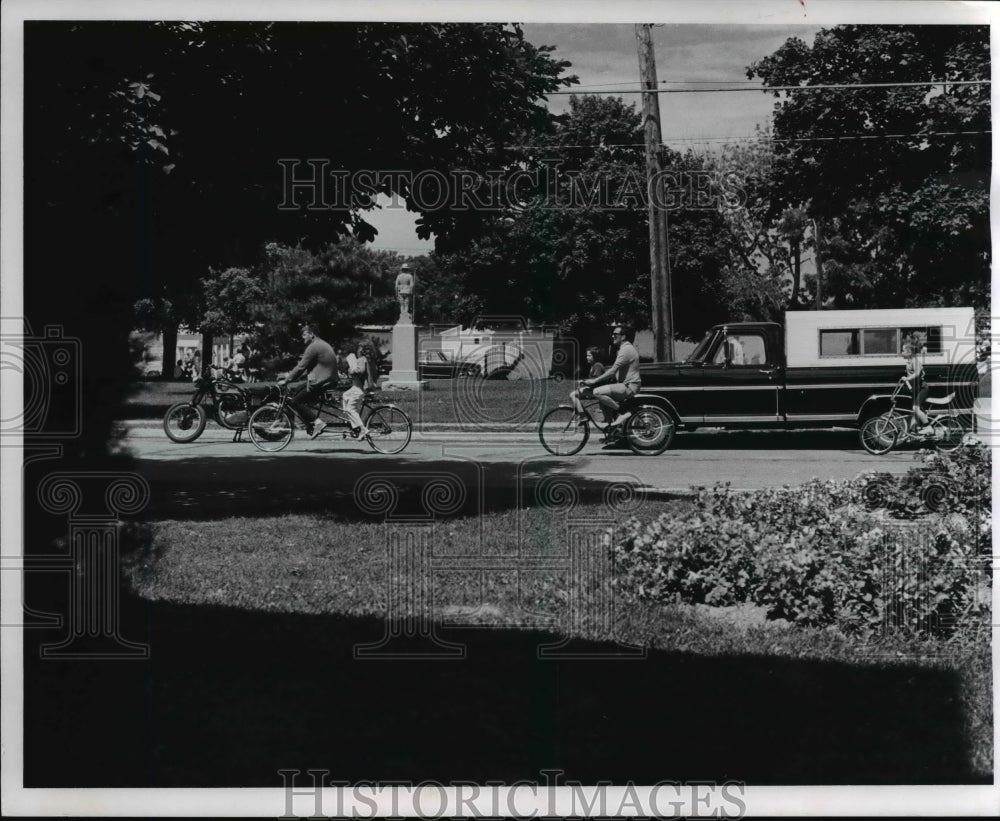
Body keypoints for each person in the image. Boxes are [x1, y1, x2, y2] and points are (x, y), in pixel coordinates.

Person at [279, 323, 339, 439]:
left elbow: (301, 367)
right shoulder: (321, 344)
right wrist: (290, 377)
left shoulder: (313, 347)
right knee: (295, 391)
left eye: (304, 334)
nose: (303, 337)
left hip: (322, 381)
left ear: (311, 334)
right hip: (325, 379)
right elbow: (308, 369)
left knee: (295, 401)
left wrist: (286, 380)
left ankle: (317, 422)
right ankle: (310, 424)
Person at [584, 324, 641, 443]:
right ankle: (613, 432)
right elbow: (615, 372)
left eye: (616, 334)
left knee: (597, 392)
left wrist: (595, 381)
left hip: (629, 387)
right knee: (604, 402)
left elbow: (613, 370)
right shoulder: (624, 348)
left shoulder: (626, 350)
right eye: (613, 334)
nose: (613, 336)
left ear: (623, 336)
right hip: (624, 385)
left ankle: (622, 412)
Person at [342, 343, 375, 438]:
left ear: (361, 351)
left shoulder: (361, 359)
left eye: (358, 349)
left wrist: (351, 370)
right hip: (355, 388)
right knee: (345, 395)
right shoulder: (364, 360)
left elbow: (360, 371)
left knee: (350, 409)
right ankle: (351, 422)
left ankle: (363, 429)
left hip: (358, 389)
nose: (357, 350)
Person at [901, 338, 932, 435]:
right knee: (914, 411)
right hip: (917, 388)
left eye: (903, 351)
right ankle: (912, 430)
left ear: (909, 352)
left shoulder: (915, 361)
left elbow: (917, 373)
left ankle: (928, 427)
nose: (901, 353)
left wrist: (907, 378)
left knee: (916, 408)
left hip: (923, 388)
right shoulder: (909, 362)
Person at [569, 347, 606, 414]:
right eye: (587, 355)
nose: (587, 357)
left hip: (597, 391)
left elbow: (596, 380)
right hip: (594, 389)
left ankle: (582, 415)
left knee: (573, 395)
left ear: (594, 356)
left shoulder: (597, 365)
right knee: (575, 395)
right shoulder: (594, 365)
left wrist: (584, 382)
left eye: (589, 356)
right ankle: (581, 413)